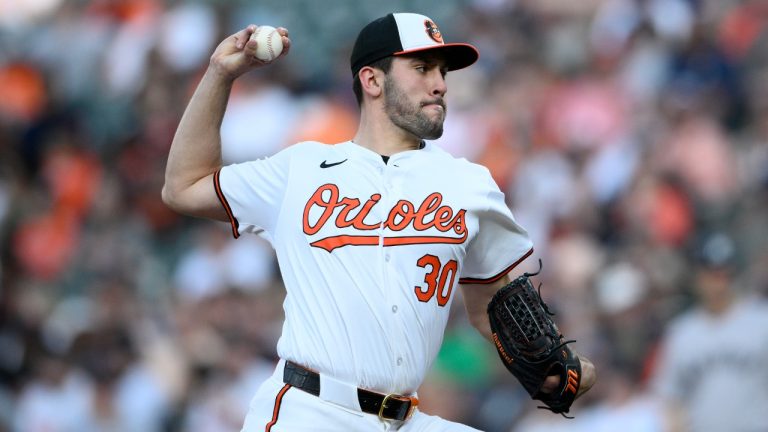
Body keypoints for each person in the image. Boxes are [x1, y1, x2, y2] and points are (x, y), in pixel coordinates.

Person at [162, 12, 596, 431]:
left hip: (405, 418)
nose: (440, 84)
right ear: (372, 80)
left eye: (442, 71)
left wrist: (555, 365)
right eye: (422, 68)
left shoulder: (469, 184)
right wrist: (220, 75)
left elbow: (493, 307)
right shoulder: (301, 169)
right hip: (311, 412)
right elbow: (184, 187)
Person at [651, 232, 768, 432]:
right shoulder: (681, 333)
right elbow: (670, 399)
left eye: (724, 272)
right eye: (710, 273)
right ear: (697, 276)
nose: (718, 281)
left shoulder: (762, 320)